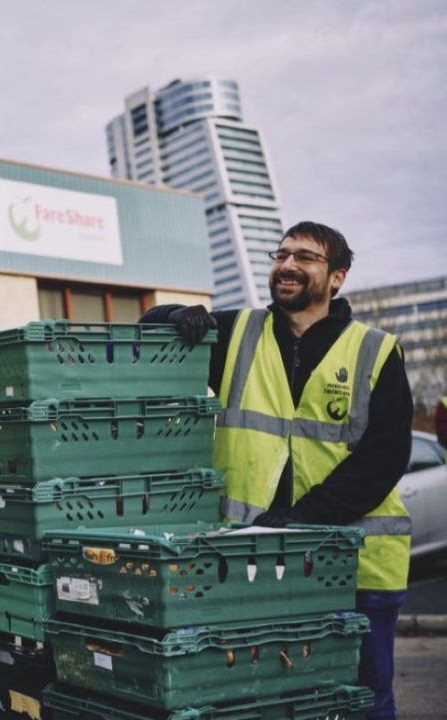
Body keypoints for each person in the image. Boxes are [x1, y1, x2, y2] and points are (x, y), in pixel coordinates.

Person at [141, 221, 412, 720]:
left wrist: (298, 520)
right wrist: (179, 313)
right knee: (264, 699)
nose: (287, 265)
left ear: (337, 277)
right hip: (252, 562)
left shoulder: (375, 349)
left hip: (357, 564)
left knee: (363, 698)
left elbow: (384, 456)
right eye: (281, 254)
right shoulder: (236, 332)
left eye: (306, 257)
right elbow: (150, 325)